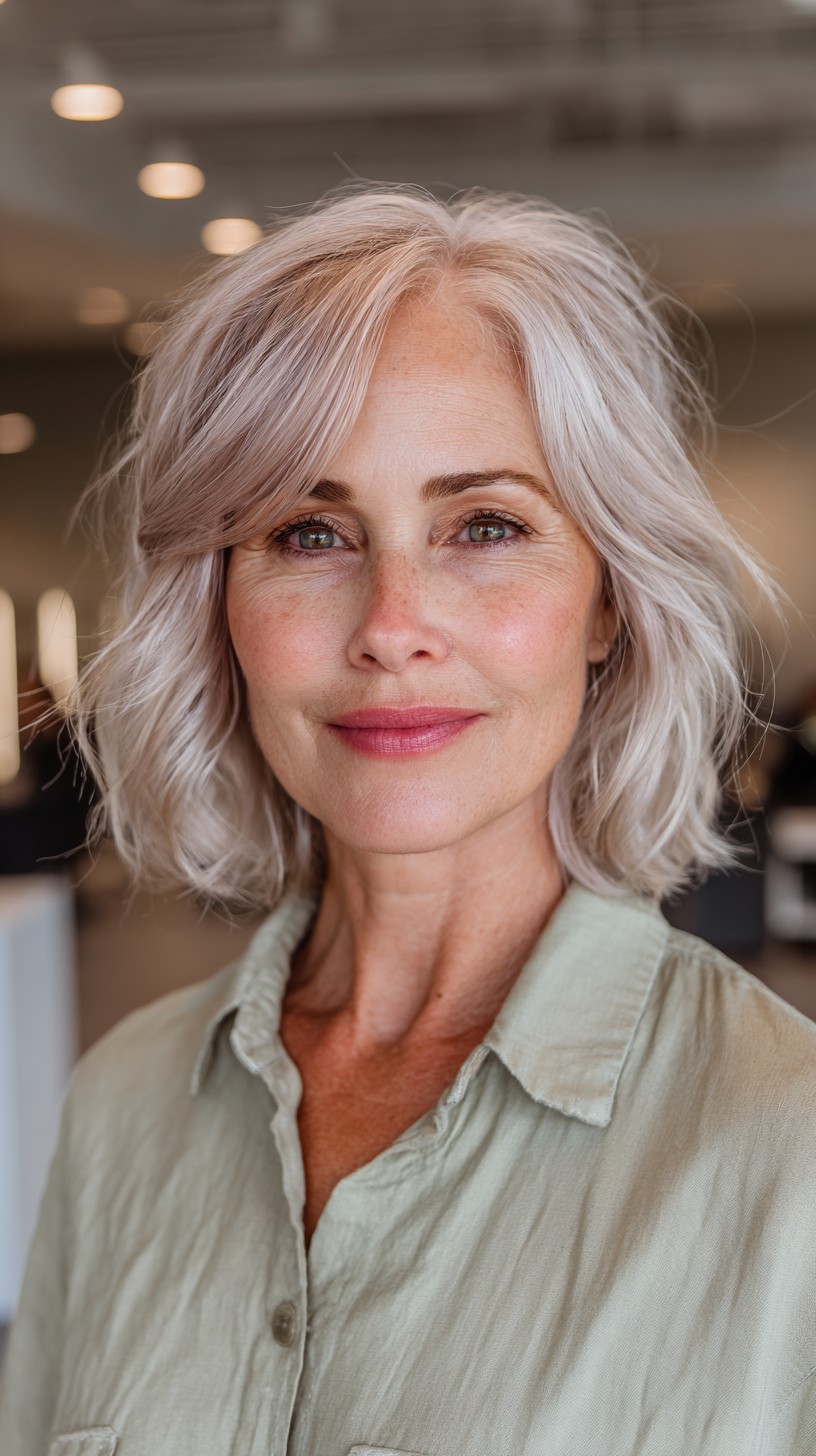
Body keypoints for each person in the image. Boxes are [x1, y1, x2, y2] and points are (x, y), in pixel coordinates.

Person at [1, 184, 814, 1456]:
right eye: (310, 531)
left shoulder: (790, 1149)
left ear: (608, 601)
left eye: (485, 525)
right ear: (220, 602)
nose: (390, 624)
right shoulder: (125, 1106)